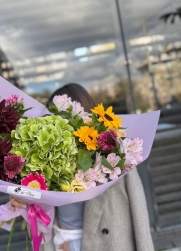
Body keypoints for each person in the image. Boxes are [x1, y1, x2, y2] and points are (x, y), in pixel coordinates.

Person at [9, 83, 154, 251]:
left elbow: (140, 220)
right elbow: (39, 219)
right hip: (57, 241)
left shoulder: (118, 158)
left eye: (67, 115)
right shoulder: (46, 161)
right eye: (52, 118)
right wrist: (24, 201)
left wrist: (75, 246)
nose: (60, 124)